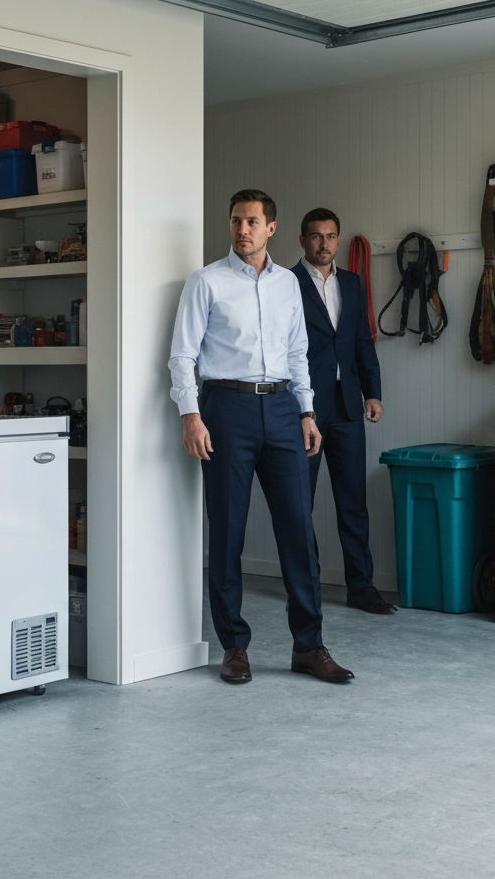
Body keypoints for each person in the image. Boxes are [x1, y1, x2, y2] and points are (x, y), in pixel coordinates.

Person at [168, 190, 354, 685]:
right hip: (226, 408)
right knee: (228, 529)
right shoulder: (206, 281)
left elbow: (298, 352)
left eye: (252, 221)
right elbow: (182, 355)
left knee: (298, 529)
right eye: (236, 221)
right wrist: (191, 415)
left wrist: (307, 411)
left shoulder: (288, 284)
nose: (242, 230)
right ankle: (234, 646)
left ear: (271, 228)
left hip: (283, 408)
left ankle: (309, 646)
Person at [292, 208, 395, 614]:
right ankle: (305, 589)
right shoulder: (286, 283)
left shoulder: (351, 283)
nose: (324, 243)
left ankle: (361, 587)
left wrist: (373, 393)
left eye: (331, 236)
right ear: (302, 240)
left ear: (338, 239)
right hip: (305, 409)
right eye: (316, 236)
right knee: (300, 504)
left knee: (353, 503)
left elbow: (361, 341)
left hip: (349, 405)